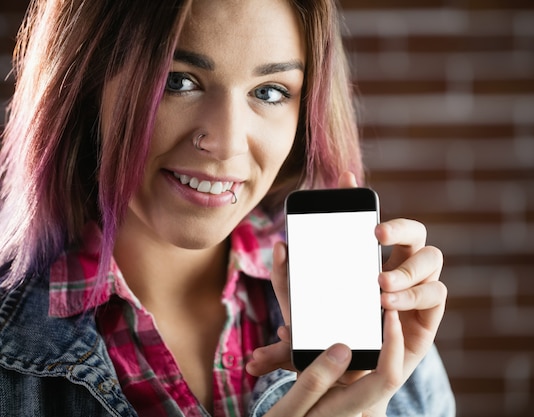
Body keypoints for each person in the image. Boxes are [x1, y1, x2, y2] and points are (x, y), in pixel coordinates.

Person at [0, 0, 455, 416]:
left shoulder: (370, 328)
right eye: (178, 81)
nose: (226, 143)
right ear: (87, 84)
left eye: (270, 91)